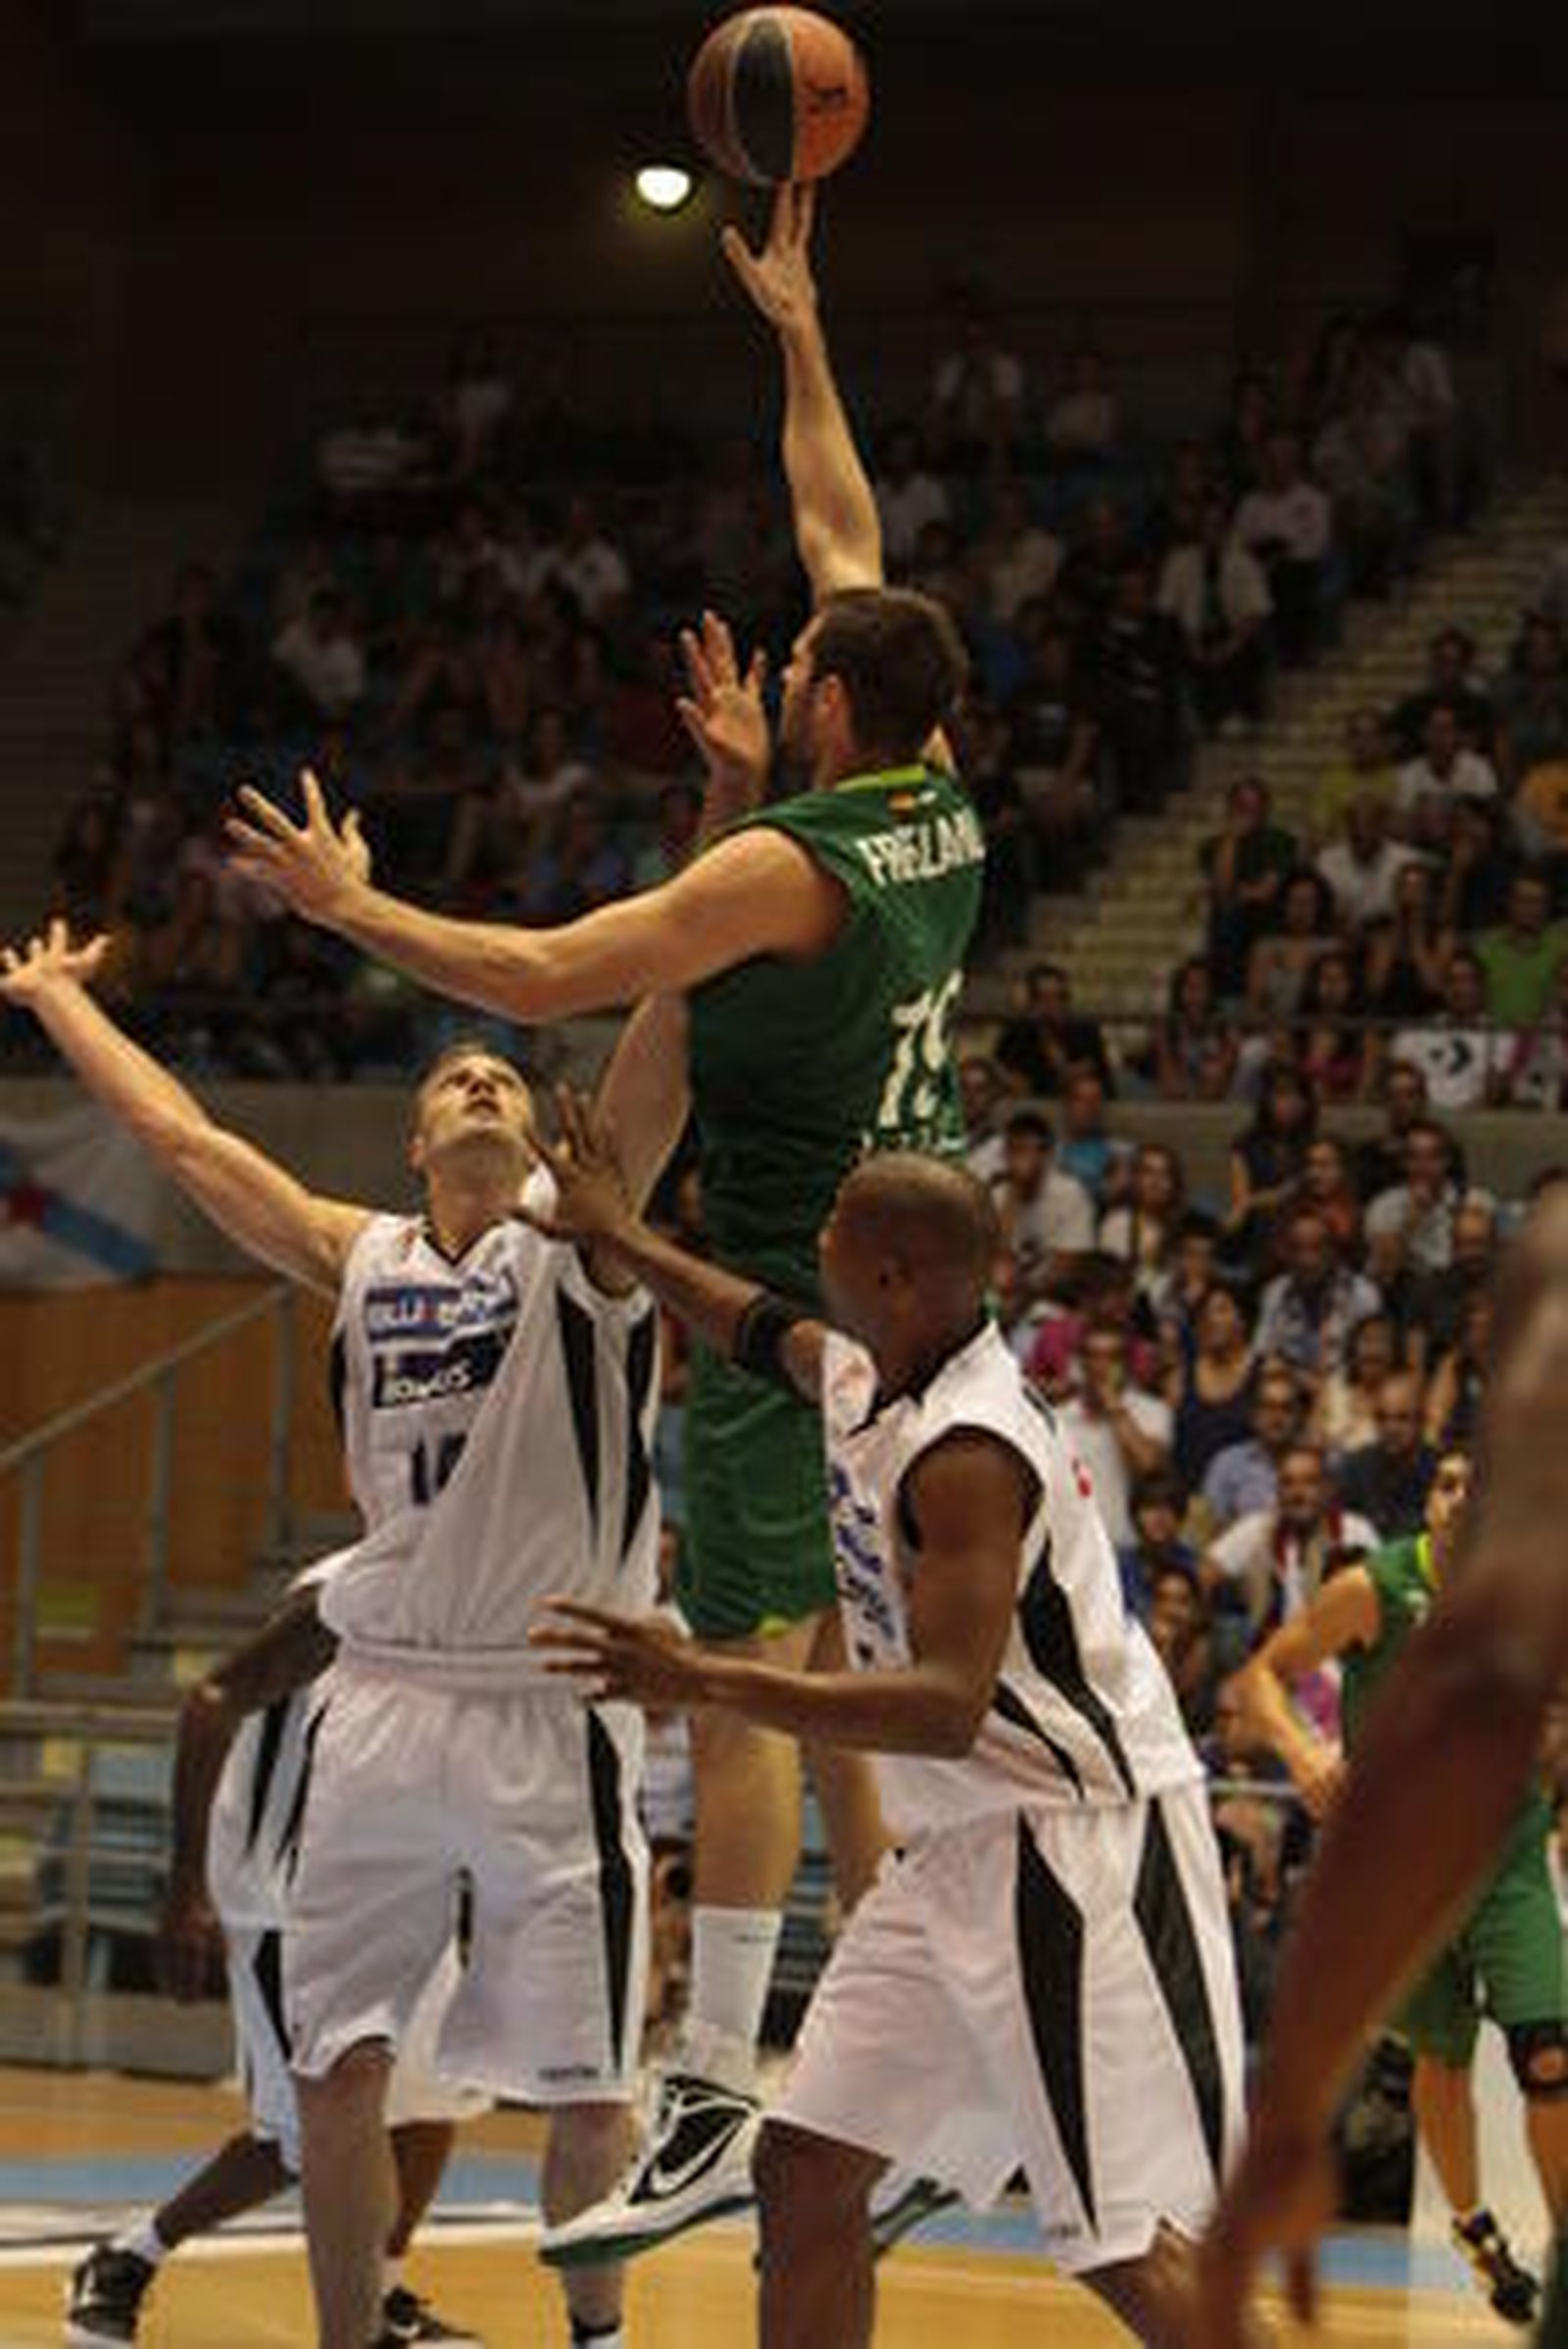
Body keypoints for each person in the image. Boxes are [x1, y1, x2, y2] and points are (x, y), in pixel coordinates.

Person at [230, 182, 984, 2260]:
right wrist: (800, 326)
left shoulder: (783, 868)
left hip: (771, 1287)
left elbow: (557, 969)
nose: (793, 642)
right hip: (912, 1263)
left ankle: (726, 2083)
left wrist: (354, 905)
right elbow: (844, 527)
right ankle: (910, 2054)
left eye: (797, 670)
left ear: (826, 709)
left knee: (741, 1669)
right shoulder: (940, 793)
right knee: (836, 1675)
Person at [0, 924, 672, 2349]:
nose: (485, 1083)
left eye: (504, 1071)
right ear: (414, 1145)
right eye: (456, 1078)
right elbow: (175, 1138)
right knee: (335, 2072)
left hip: (547, 1702)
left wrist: (739, 816)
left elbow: (672, 1009)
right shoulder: (354, 1256)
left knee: (590, 2087)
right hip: (384, 1702)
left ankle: (598, 2340)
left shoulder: (585, 1237)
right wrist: (58, 999)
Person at [525, 1098, 1247, 2349]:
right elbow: (756, 1330)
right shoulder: (875, 1366)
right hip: (953, 1856)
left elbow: (944, 1708)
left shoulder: (969, 1450)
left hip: (1068, 1852)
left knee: (1122, 2243)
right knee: (804, 2171)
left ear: (897, 1274)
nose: (815, 1244)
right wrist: (621, 1235)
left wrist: (702, 1678)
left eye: (836, 1232)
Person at [70, 1597, 486, 2349]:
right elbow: (212, 1700)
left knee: (432, 2105)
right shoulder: (346, 1587)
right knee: (306, 2137)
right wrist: (186, 1885)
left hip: (404, 1885)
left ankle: (383, 2296)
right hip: (285, 1898)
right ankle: (126, 2259)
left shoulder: (471, 1585)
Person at [1229, 1448, 1559, 2327]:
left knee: (1552, 2052)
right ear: (1431, 1503)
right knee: (1440, 2060)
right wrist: (1301, 1751)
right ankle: (1474, 2225)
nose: (1463, 1498)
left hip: (1507, 1849)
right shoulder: (1375, 1587)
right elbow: (1260, 1674)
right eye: (1449, 1483)